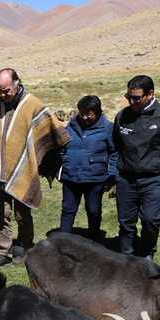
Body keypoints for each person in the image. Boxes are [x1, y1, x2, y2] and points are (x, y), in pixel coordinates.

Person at [0, 68, 70, 269]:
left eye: (6, 90)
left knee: (22, 215)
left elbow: (52, 128)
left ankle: (25, 249)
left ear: (17, 83)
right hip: (1, 168)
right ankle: (3, 252)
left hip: (23, 170)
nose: (3, 94)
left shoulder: (33, 104)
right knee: (0, 213)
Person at [113, 75, 160, 259]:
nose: (132, 101)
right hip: (126, 179)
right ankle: (126, 257)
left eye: (136, 98)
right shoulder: (122, 116)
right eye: (128, 97)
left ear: (150, 94)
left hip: (154, 179)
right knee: (125, 222)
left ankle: (147, 255)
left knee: (150, 220)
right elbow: (116, 144)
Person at [58, 95, 118, 239]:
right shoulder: (70, 127)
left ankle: (94, 240)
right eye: (81, 113)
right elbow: (61, 148)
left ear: (97, 113)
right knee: (68, 209)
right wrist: (62, 165)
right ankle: (62, 241)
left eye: (88, 114)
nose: (84, 117)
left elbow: (115, 153)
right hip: (71, 176)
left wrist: (112, 174)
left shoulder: (108, 128)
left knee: (93, 210)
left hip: (95, 178)